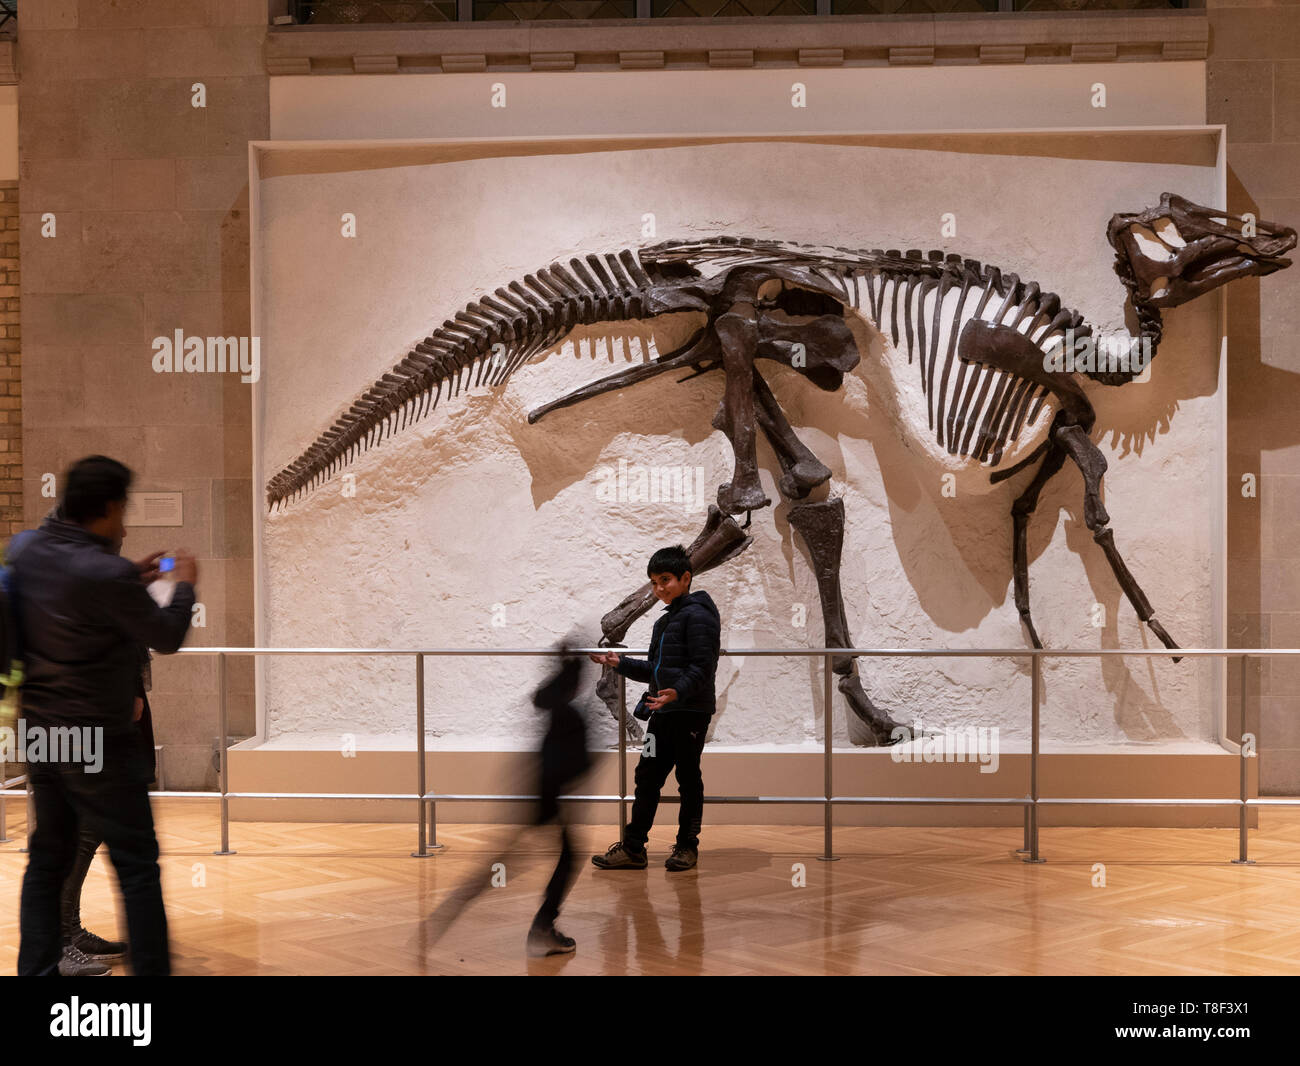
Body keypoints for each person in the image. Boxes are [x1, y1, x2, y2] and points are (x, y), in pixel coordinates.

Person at [12, 455, 197, 977]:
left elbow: (74, 597)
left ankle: (38, 974)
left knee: (46, 859)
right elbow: (166, 635)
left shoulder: (28, 552)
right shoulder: (106, 571)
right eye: (124, 508)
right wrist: (183, 586)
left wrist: (126, 579)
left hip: (43, 733)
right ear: (112, 506)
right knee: (137, 866)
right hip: (98, 740)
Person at [589, 544, 721, 872]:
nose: (659, 588)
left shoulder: (699, 615)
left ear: (685, 578)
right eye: (654, 582)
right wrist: (618, 663)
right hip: (660, 713)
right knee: (646, 775)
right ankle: (634, 848)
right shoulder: (666, 620)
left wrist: (676, 692)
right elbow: (654, 669)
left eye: (665, 580)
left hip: (689, 713)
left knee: (688, 777)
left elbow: (704, 666)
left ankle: (687, 847)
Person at [526, 646, 592, 957]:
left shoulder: (555, 707)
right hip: (549, 799)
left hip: (544, 797)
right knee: (569, 857)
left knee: (568, 856)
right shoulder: (570, 715)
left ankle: (543, 924)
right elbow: (575, 764)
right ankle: (543, 926)